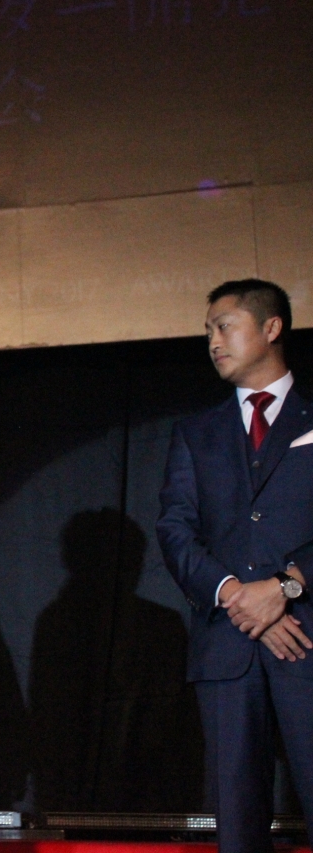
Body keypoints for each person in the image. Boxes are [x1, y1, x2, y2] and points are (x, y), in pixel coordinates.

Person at [156, 278, 313, 853]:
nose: (213, 342)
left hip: (307, 638)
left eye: (224, 327)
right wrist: (234, 594)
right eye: (208, 333)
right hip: (228, 648)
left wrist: (285, 587)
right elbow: (175, 530)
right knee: (238, 826)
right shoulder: (195, 432)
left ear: (271, 328)